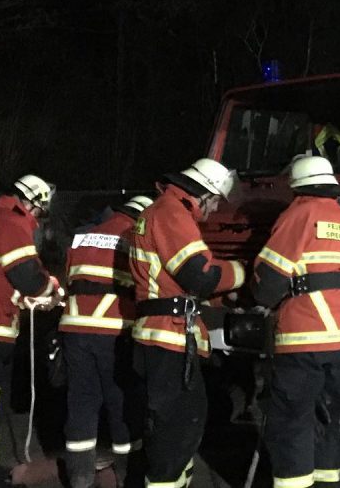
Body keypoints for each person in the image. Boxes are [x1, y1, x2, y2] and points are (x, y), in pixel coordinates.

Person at [129, 159, 245, 488]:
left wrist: (224, 300)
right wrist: (242, 272)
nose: (213, 210)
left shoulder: (163, 211)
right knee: (174, 432)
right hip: (168, 338)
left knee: (180, 426)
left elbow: (174, 285)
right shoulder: (171, 213)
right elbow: (201, 274)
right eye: (215, 202)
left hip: (162, 335)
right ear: (204, 194)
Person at [251, 155, 340, 488]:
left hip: (303, 338)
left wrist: (257, 298)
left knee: (291, 425)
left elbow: (269, 280)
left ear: (298, 188)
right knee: (326, 422)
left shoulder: (300, 214)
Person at [60, 194, 153, 488]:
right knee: (121, 401)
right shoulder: (133, 238)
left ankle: (80, 475)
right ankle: (129, 472)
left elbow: (68, 278)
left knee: (81, 400)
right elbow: (145, 285)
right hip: (114, 330)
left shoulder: (83, 238)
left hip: (74, 329)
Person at [0, 175, 63, 486]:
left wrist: (21, 297)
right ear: (32, 202)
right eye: (38, 211)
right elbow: (27, 275)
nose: (36, 219)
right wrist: (52, 289)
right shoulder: (12, 221)